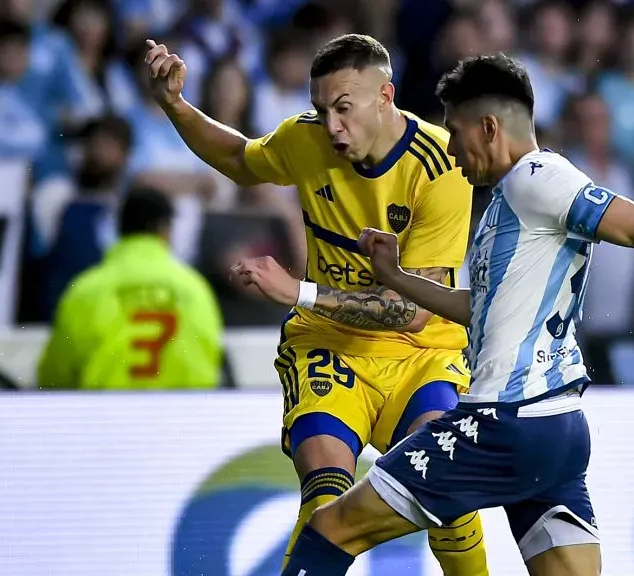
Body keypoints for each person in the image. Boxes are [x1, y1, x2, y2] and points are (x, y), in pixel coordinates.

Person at [280, 54, 634, 576]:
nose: (452, 152)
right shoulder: (506, 204)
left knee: (330, 531)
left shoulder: (539, 177)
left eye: (455, 133)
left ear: (490, 127)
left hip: (503, 421)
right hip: (557, 432)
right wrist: (396, 276)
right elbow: (480, 310)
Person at [142, 34, 489, 574]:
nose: (331, 127)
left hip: (420, 353)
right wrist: (175, 106)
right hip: (328, 346)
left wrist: (299, 292)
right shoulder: (305, 140)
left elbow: (414, 310)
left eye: (343, 109)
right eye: (321, 109)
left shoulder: (439, 165)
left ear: (385, 96)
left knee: (446, 492)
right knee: (325, 495)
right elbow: (238, 158)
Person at [38, 188, 223, 389]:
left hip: (105, 415)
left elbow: (54, 375)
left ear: (120, 228)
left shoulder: (86, 288)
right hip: (176, 416)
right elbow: (209, 363)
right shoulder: (194, 289)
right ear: (165, 229)